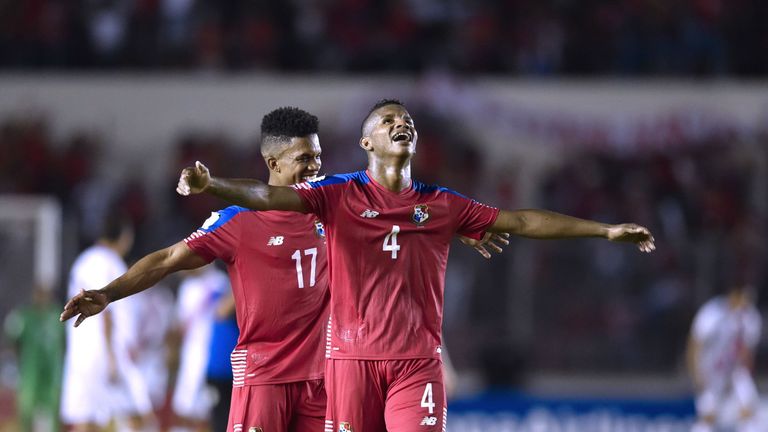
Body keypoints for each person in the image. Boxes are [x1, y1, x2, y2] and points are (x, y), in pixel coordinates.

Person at [176, 99, 656, 432]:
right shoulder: (337, 195)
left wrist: (606, 230)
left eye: (405, 120)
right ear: (366, 142)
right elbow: (268, 195)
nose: (399, 123)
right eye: (387, 120)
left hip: (416, 364)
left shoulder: (441, 205)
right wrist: (211, 184)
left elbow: (522, 219)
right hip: (349, 364)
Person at [61, 107, 508, 432]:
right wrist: (109, 293)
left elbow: (400, 225)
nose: (315, 167)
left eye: (317, 157)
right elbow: (167, 259)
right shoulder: (238, 221)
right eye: (303, 160)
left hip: (331, 378)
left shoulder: (339, 211)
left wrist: (456, 230)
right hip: (264, 376)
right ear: (273, 165)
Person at [60, 214, 135, 432]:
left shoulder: (83, 261)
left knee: (86, 417)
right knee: (128, 415)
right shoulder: (110, 262)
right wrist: (111, 355)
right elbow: (105, 310)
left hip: (80, 349)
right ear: (123, 237)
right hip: (102, 351)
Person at [687, 284, 762, 432]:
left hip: (734, 369)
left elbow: (747, 353)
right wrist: (696, 373)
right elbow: (695, 345)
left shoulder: (750, 317)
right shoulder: (712, 313)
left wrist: (741, 372)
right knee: (708, 415)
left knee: (748, 410)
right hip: (711, 369)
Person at [170, 264, 230, 432]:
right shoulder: (187, 288)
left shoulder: (220, 282)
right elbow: (181, 325)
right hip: (191, 353)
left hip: (214, 354)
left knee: (208, 410)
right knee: (184, 407)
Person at [4, 286, 65, 432]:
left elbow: (65, 341)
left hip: (53, 371)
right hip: (30, 371)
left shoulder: (58, 315)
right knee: (27, 409)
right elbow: (13, 340)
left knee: (54, 410)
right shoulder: (24, 316)